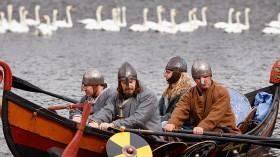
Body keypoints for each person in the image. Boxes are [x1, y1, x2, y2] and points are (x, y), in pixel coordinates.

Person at [164, 59, 241, 135]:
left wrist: (202, 127)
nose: (202, 81)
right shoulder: (189, 95)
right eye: (198, 78)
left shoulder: (221, 92)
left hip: (225, 132)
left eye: (205, 77)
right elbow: (180, 110)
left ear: (210, 76)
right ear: (194, 79)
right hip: (201, 132)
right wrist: (172, 123)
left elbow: (215, 115)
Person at [88, 62, 162, 133]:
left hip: (148, 137)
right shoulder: (115, 96)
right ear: (120, 84)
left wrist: (114, 125)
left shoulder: (148, 96)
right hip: (126, 136)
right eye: (124, 83)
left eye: (131, 82)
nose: (128, 86)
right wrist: (94, 121)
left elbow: (138, 119)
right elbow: (107, 111)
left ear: (136, 82)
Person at [159, 56, 193, 128]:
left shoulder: (187, 93)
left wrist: (158, 120)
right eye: (165, 72)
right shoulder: (166, 93)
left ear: (176, 74)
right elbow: (157, 111)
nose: (165, 75)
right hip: (166, 123)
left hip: (184, 127)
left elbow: (175, 114)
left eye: (168, 72)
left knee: (163, 123)